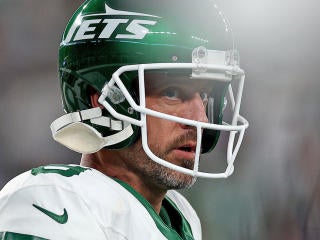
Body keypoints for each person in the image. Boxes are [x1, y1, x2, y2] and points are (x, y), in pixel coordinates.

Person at [0, 0, 248, 239]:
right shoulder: (53, 202)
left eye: (205, 95)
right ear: (102, 100)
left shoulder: (181, 217)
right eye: (172, 92)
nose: (200, 118)